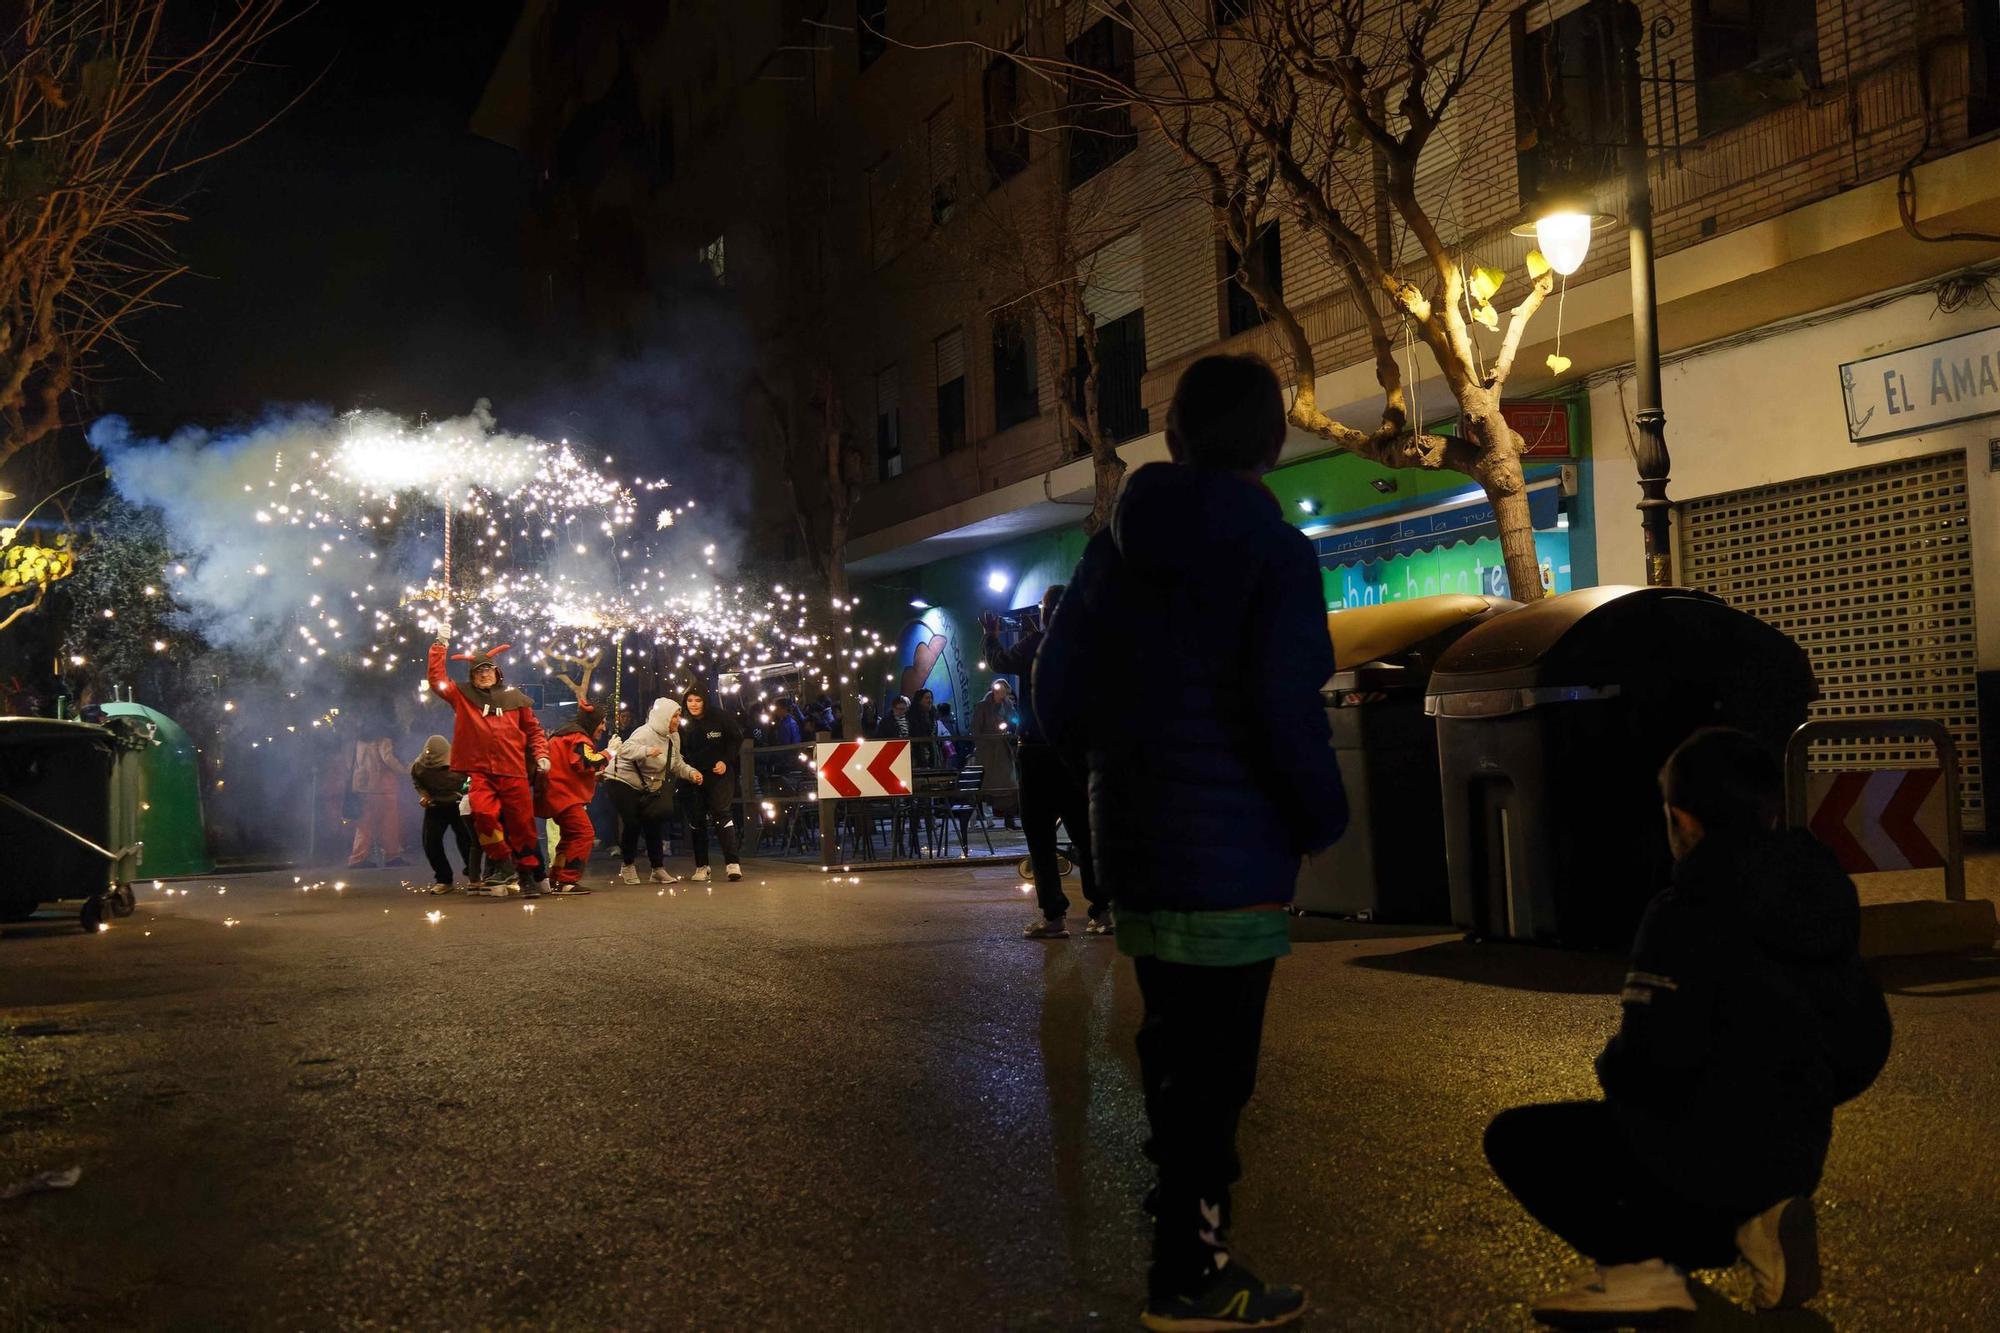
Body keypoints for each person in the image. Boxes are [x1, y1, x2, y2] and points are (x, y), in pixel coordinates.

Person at [1035, 353, 1349, 1331]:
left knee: (1175, 1048)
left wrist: (1124, 765)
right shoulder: (1273, 553)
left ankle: (1178, 1221)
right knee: (1214, 1073)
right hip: (1233, 853)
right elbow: (1281, 704)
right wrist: (1319, 816)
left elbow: (1054, 699)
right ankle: (1191, 1274)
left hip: (1137, 850)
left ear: (1172, 435)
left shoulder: (1111, 550)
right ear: (1268, 439)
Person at [1483, 727, 1892, 1326]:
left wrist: (1615, 1073)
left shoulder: (1686, 911)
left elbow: (1654, 1059)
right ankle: (1760, 1227)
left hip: (1698, 1173)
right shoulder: (1821, 896)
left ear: (1684, 819)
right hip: (1796, 1159)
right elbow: (1864, 1042)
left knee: (1520, 1138)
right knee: (1697, 1138)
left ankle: (1637, 1271)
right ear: (1770, 810)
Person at [984, 589, 1108, 938]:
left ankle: (1054, 916)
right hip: (1076, 752)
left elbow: (1000, 663)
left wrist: (990, 636)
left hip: (1037, 751)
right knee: (1085, 833)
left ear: (1044, 612)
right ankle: (1103, 910)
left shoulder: (1035, 643)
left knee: (1039, 835)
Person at [426, 637, 550, 897]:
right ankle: (504, 864)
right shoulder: (461, 696)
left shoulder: (515, 698)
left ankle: (527, 875)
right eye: (478, 671)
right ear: (472, 676)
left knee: (522, 827)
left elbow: (534, 731)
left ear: (497, 672)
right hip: (481, 771)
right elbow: (436, 679)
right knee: (482, 815)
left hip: (513, 770)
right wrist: (439, 645)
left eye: (487, 669)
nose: (484, 674)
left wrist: (541, 754)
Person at [603, 696, 699, 884]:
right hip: (621, 779)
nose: (678, 720)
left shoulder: (674, 737)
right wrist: (647, 751)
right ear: (664, 717)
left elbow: (676, 763)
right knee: (632, 821)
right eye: (674, 716)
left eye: (679, 716)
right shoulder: (644, 732)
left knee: (653, 820)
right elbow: (625, 750)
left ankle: (657, 869)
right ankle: (628, 865)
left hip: (645, 784)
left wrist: (691, 773)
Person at [536, 701, 612, 895]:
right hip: (564, 796)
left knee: (569, 837)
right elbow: (586, 763)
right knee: (584, 834)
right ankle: (568, 880)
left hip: (556, 794)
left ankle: (556, 877)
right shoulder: (579, 738)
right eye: (602, 722)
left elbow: (569, 768)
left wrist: (594, 776)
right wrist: (608, 753)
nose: (604, 727)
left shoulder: (564, 735)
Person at [678, 685, 745, 882]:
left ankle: (732, 864)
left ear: (705, 701)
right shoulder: (682, 721)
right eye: (690, 700)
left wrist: (725, 761)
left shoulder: (720, 717)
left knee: (722, 814)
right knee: (696, 819)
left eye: (697, 700)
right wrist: (689, 771)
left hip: (719, 774)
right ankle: (702, 866)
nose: (694, 705)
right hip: (692, 776)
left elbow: (736, 739)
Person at [410, 735, 477, 892]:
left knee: (466, 841)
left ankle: (474, 876)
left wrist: (464, 792)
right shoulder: (419, 767)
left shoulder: (461, 762)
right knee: (430, 842)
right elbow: (417, 782)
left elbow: (472, 779)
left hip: (458, 804)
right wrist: (424, 795)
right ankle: (443, 879)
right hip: (436, 805)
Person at [347, 730, 409, 868]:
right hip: (383, 788)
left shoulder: (359, 740)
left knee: (364, 826)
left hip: (363, 787)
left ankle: (358, 858)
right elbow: (389, 759)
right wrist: (408, 770)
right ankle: (392, 855)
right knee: (389, 824)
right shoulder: (383, 740)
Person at [969, 677, 1020, 826]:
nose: (1002, 695)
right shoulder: (983, 706)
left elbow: (1014, 719)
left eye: (1004, 692)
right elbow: (975, 728)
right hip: (988, 753)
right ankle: (973, 818)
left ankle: (1009, 819)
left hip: (1003, 750)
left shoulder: (1008, 705)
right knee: (984, 785)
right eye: (1000, 691)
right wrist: (982, 744)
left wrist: (1011, 730)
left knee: (1010, 784)